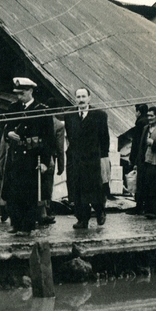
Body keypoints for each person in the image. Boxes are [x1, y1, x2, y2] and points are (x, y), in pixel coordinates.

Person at [1, 77, 54, 236]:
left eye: (22, 93)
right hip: (15, 156)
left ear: (30, 91)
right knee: (13, 192)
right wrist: (9, 133)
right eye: (17, 94)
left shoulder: (41, 109)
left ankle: (27, 225)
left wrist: (45, 161)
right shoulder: (13, 108)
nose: (19, 97)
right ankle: (15, 222)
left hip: (32, 157)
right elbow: (7, 128)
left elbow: (48, 138)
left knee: (29, 193)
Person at [64, 87, 110, 229]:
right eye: (78, 97)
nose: (81, 100)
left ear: (89, 98)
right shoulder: (69, 115)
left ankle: (100, 211)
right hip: (76, 158)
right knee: (77, 189)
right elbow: (70, 136)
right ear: (75, 99)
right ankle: (82, 219)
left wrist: (103, 157)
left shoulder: (99, 115)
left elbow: (104, 138)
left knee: (94, 188)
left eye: (84, 96)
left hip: (93, 159)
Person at [128, 106, 156, 219]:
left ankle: (154, 210)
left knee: (154, 187)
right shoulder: (146, 128)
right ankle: (147, 209)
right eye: (148, 116)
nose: (150, 118)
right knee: (145, 185)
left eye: (152, 116)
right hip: (145, 161)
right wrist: (137, 162)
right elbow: (141, 146)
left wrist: (154, 143)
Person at [39, 98, 66, 225]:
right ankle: (45, 213)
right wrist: (61, 165)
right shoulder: (59, 125)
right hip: (50, 159)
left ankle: (40, 212)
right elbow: (60, 148)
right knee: (47, 185)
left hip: (36, 157)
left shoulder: (38, 119)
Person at [125, 104, 148, 215]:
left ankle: (139, 206)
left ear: (138, 112)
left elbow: (136, 143)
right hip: (146, 156)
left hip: (140, 157)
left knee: (139, 182)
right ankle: (143, 205)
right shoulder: (148, 121)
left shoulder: (140, 123)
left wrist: (133, 159)